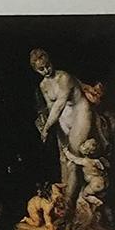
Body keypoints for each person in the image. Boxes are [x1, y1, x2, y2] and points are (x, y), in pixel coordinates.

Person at [29, 47, 101, 220]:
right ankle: (62, 203)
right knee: (63, 159)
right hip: (62, 120)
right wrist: (45, 124)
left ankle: (69, 205)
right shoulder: (43, 85)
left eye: (47, 65)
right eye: (41, 69)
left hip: (79, 114)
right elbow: (50, 107)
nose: (46, 70)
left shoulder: (64, 77)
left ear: (50, 61)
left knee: (73, 157)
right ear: (36, 71)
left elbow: (60, 104)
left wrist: (47, 128)